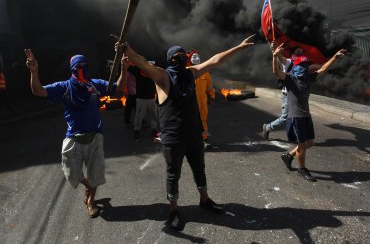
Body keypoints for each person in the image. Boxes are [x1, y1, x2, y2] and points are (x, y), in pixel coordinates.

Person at [116, 34, 254, 230]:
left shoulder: (191, 74)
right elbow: (143, 63)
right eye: (176, 57)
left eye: (183, 56)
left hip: (194, 135)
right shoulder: (162, 76)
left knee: (199, 169)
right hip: (172, 139)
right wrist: (128, 51)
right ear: (170, 59)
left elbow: (215, 59)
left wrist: (238, 47)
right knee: (173, 174)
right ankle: (173, 209)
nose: (180, 59)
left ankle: (204, 199)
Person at [25, 49, 128, 218]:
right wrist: (34, 71)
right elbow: (38, 91)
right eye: (77, 66)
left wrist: (123, 69)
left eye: (83, 66)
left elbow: (119, 88)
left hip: (95, 135)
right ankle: (88, 186)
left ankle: (91, 202)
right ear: (71, 69)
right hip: (73, 137)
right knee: (71, 173)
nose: (80, 69)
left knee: (95, 174)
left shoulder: (95, 84)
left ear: (88, 67)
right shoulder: (64, 87)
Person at [271, 43, 346, 182]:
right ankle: (302, 169)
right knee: (301, 145)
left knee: (310, 142)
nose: (304, 67)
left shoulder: (308, 78)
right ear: (295, 67)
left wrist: (335, 57)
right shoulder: (290, 79)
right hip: (295, 117)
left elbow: (323, 68)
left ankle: (288, 156)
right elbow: (276, 72)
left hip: (306, 115)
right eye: (301, 65)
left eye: (306, 65)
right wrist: (275, 57)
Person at [187, 50, 216, 149]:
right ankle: (190, 141)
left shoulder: (205, 72)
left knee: (203, 120)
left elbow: (209, 86)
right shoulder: (186, 71)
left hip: (202, 102)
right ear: (189, 59)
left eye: (197, 56)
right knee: (190, 121)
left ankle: (204, 140)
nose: (196, 59)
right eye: (193, 57)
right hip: (190, 102)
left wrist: (212, 96)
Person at [128, 63, 159, 140]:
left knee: (153, 115)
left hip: (151, 98)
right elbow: (129, 68)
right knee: (139, 116)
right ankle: (136, 131)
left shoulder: (153, 73)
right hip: (141, 99)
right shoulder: (138, 71)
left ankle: (153, 130)